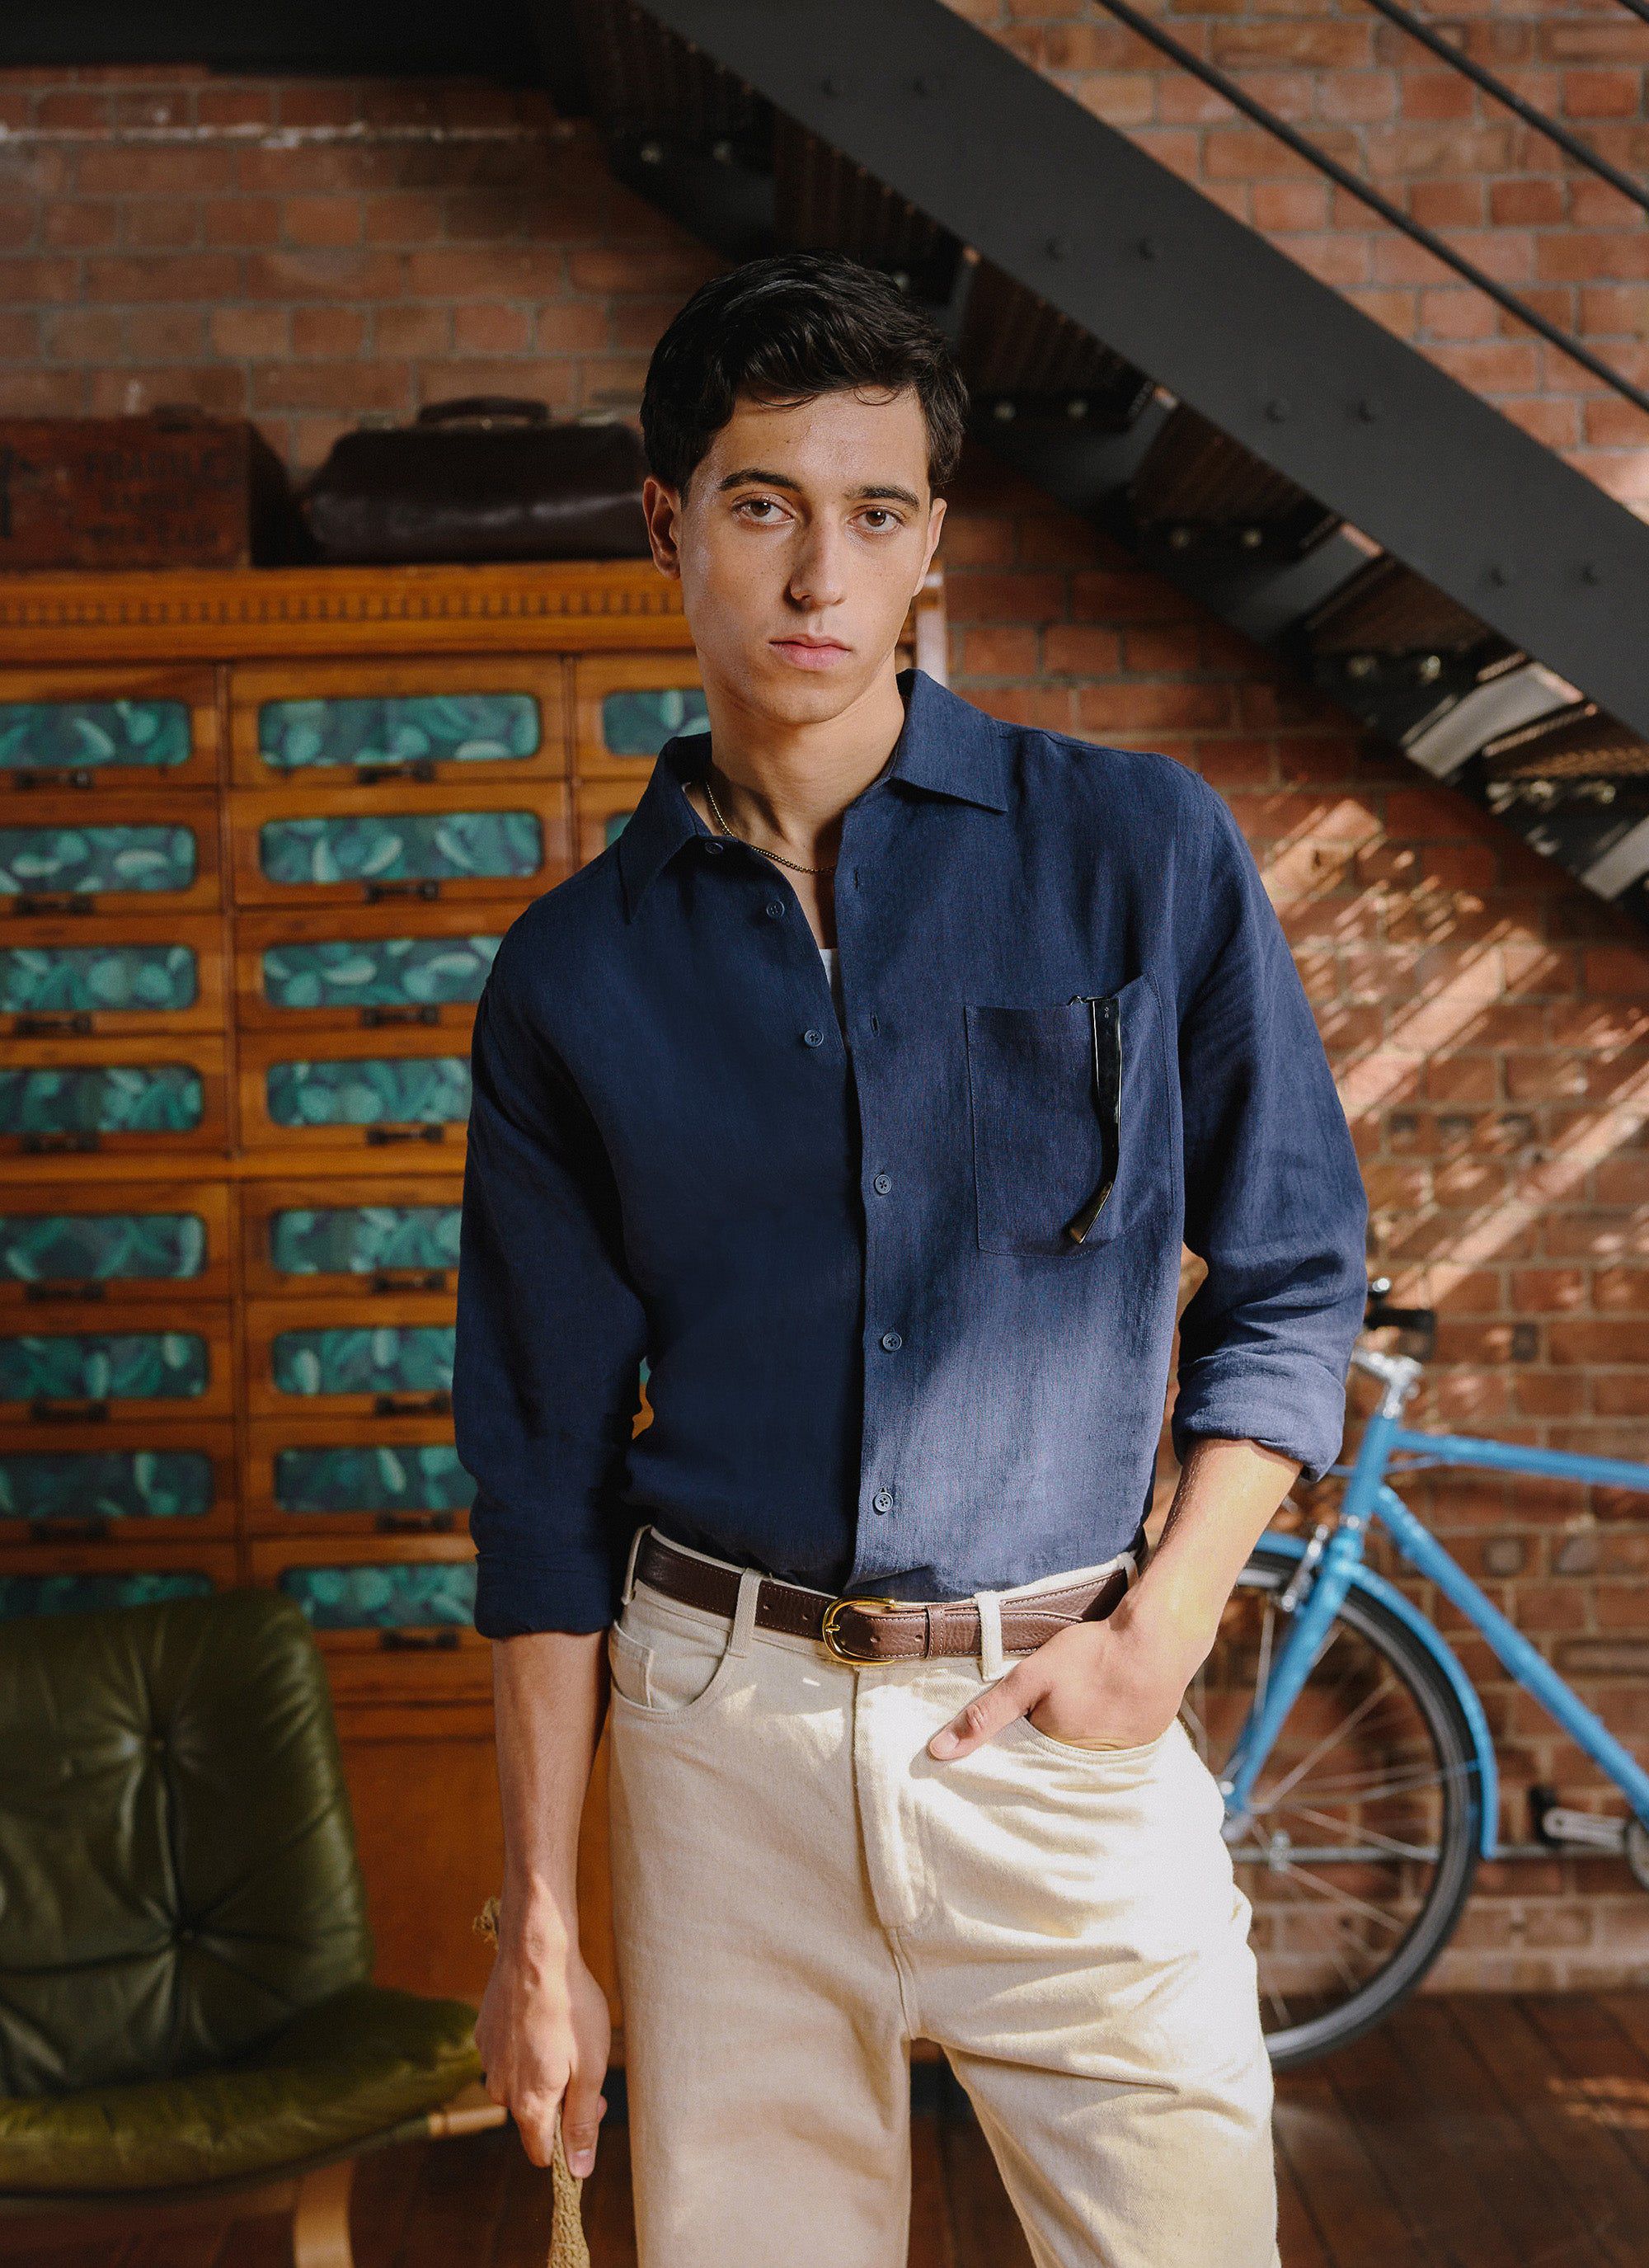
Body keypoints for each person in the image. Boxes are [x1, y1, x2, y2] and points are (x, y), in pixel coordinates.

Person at [454, 249, 1369, 2268]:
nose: (816, 580)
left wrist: (1164, 1635)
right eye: (765, 504)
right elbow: (534, 1474)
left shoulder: (1137, 850)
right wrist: (543, 1918)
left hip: (1056, 1725)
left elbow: (1296, 1272)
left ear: (930, 542)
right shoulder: (568, 978)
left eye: (873, 515)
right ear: (666, 519)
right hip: (719, 1756)